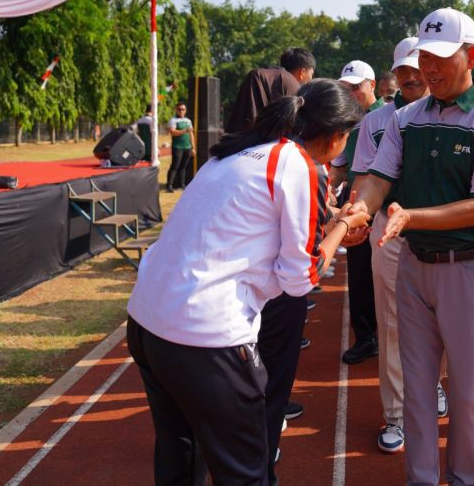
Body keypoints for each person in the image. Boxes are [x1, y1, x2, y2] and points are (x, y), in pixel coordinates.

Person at [126, 79, 369, 485]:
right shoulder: (300, 165)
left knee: (179, 458)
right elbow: (300, 279)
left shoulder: (235, 152)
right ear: (336, 136)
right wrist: (342, 225)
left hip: (148, 322)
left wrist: (329, 224)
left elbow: (248, 223)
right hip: (206, 337)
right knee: (247, 473)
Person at [349, 7, 474, 485]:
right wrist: (359, 210)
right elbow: (377, 181)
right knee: (418, 390)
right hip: (413, 265)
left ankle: (464, 479)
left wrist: (408, 217)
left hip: (469, 268)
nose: (430, 67)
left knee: (466, 392)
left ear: (472, 56)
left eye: (443, 57)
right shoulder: (405, 119)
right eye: (425, 55)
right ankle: (421, 479)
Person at [346, 37, 446, 454]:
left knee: (441, 321)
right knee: (391, 325)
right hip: (389, 230)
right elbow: (365, 180)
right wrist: (352, 217)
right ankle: (397, 414)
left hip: (442, 231)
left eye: (418, 72)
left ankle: (434, 385)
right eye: (403, 74)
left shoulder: (456, 115)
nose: (411, 79)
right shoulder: (375, 122)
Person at [224, 45, 317, 451]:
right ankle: (266, 427)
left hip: (170, 317)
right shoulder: (288, 158)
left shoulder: (223, 155)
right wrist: (343, 225)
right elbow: (298, 273)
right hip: (248, 295)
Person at [330, 59, 384, 365]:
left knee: (386, 277)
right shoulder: (346, 122)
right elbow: (339, 167)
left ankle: (385, 335)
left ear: (372, 85)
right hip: (355, 208)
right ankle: (366, 338)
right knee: (361, 276)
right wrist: (327, 188)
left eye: (356, 87)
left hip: (383, 207)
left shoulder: (389, 116)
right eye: (346, 88)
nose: (351, 93)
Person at [225, 47, 315, 134]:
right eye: (311, 74)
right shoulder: (297, 91)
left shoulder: (259, 75)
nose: (311, 79)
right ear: (302, 72)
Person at [165, 102, 194, 192]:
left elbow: (191, 134)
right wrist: (185, 130)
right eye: (179, 109)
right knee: (175, 166)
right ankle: (169, 185)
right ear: (176, 110)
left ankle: (182, 184)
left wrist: (193, 147)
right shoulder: (173, 120)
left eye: (183, 109)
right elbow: (173, 132)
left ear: (185, 110)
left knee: (183, 167)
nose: (181, 111)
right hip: (177, 147)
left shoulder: (188, 121)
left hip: (187, 147)